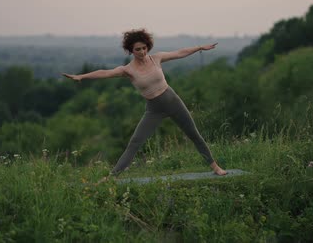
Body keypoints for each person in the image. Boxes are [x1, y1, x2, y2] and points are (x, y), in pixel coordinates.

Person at [62, 29, 227, 178]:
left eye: (144, 48)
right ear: (131, 51)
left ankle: (215, 166)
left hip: (173, 101)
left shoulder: (156, 58)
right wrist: (82, 76)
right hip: (154, 110)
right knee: (135, 142)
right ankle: (112, 177)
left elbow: (179, 53)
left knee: (194, 134)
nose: (142, 52)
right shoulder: (128, 70)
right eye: (137, 49)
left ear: (148, 46)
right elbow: (104, 73)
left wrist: (199, 48)